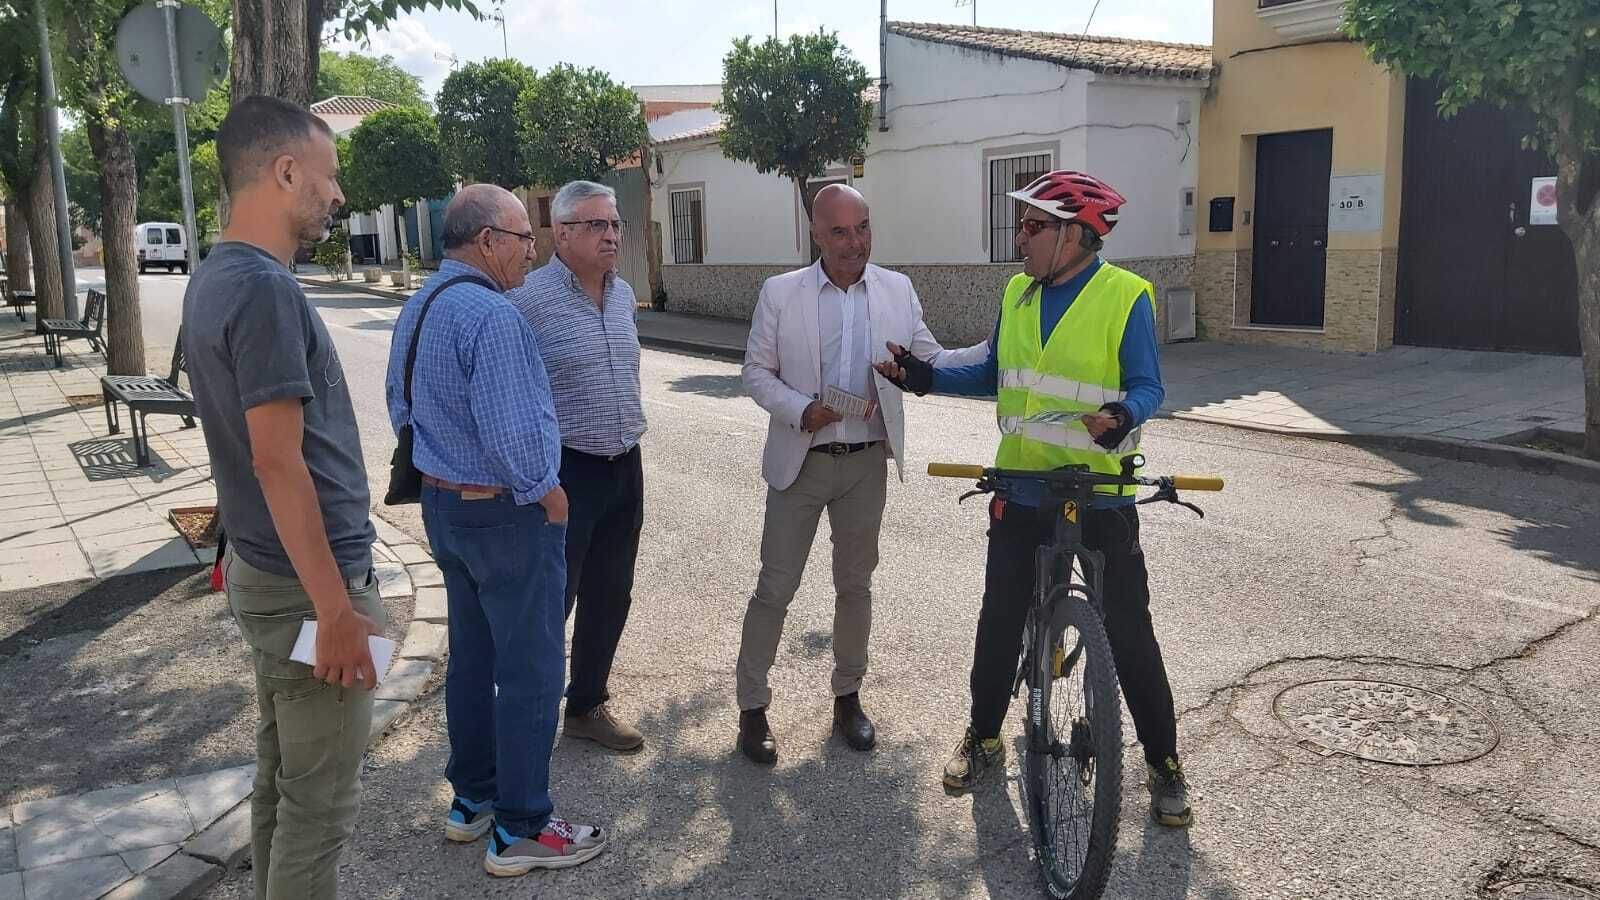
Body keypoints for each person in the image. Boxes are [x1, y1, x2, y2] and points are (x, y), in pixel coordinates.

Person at [875, 170, 1191, 826]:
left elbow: (1148, 384)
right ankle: (984, 737)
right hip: (1020, 486)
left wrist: (1123, 412)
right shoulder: (1018, 292)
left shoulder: (1125, 295)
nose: (1019, 237)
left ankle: (1163, 762)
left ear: (1076, 235)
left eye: (1033, 226)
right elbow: (994, 372)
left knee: (1130, 631)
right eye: (1022, 223)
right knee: (999, 619)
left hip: (1099, 491)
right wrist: (926, 378)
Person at [183, 95, 384, 898]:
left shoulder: (217, 274)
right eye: (328, 177)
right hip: (310, 589)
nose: (337, 196)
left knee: (283, 781)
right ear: (285, 171)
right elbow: (277, 463)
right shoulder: (265, 289)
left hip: (273, 577)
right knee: (320, 806)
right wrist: (337, 611)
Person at [386, 184, 607, 876]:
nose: (529, 253)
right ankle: (521, 828)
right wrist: (550, 496)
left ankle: (473, 799)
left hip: (446, 508)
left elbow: (400, 404)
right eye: (522, 240)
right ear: (486, 241)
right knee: (534, 668)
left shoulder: (421, 304)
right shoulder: (494, 315)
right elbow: (515, 433)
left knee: (475, 660)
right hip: (505, 513)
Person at [735, 184, 987, 764]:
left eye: (864, 228)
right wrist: (801, 409)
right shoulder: (782, 293)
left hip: (866, 463)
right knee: (775, 587)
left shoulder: (896, 289)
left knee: (856, 586)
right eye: (842, 232)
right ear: (817, 235)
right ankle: (753, 708)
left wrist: (995, 348)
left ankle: (847, 695)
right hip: (802, 461)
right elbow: (755, 372)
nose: (856, 243)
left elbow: (931, 360)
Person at [509, 181, 647, 753]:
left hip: (624, 463)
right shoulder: (527, 301)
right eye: (595, 225)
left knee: (611, 592)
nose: (610, 235)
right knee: (550, 599)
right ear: (561, 233)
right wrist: (537, 479)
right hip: (565, 470)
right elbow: (512, 397)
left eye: (614, 224)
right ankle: (527, 717)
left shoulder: (622, 294)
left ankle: (587, 704)